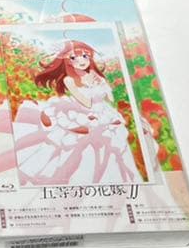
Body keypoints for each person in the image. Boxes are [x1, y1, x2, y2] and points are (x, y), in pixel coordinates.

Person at [12, 40, 142, 185]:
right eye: (74, 57)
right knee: (76, 143)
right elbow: (86, 103)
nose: (81, 61)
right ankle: (75, 178)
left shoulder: (94, 75)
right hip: (83, 113)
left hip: (104, 113)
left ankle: (118, 179)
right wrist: (91, 86)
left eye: (85, 56)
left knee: (115, 144)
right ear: (67, 61)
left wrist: (102, 84)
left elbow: (110, 98)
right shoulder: (69, 80)